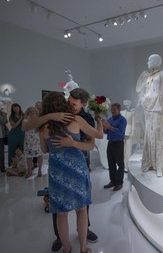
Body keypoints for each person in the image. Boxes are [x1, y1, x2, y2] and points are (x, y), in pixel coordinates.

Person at [23, 88, 99, 252]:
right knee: (81, 211)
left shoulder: (43, 128)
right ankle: (84, 248)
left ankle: (66, 248)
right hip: (78, 170)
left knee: (61, 214)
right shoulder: (76, 120)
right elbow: (98, 136)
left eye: (73, 103)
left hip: (57, 173)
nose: (70, 105)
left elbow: (44, 150)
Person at [140, 54, 163, 177]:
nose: (147, 62)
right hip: (148, 108)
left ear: (156, 61)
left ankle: (160, 165)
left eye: (149, 60)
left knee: (158, 134)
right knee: (148, 134)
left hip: (158, 108)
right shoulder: (149, 76)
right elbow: (147, 92)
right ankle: (149, 162)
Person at [103, 103, 127, 191]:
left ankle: (119, 182)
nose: (112, 111)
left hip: (118, 144)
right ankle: (113, 181)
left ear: (119, 110)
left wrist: (109, 127)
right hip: (110, 143)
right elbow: (106, 132)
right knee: (111, 163)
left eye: (114, 110)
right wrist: (104, 127)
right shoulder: (110, 119)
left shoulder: (123, 120)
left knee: (120, 164)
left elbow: (121, 132)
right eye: (111, 109)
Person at [22, 106, 43, 178]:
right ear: (28, 112)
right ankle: (29, 171)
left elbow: (41, 129)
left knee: (39, 154)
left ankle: (40, 170)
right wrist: (32, 124)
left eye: (34, 111)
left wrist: (35, 125)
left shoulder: (39, 119)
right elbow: (23, 128)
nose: (33, 112)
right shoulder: (25, 120)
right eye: (31, 111)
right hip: (28, 140)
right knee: (28, 156)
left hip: (37, 139)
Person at [121, 100, 135, 172]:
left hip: (129, 132)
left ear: (130, 104)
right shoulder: (121, 112)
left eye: (128, 104)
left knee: (128, 150)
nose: (126, 105)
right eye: (125, 104)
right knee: (121, 149)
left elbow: (133, 124)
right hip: (122, 132)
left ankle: (127, 166)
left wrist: (132, 133)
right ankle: (121, 165)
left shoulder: (132, 113)